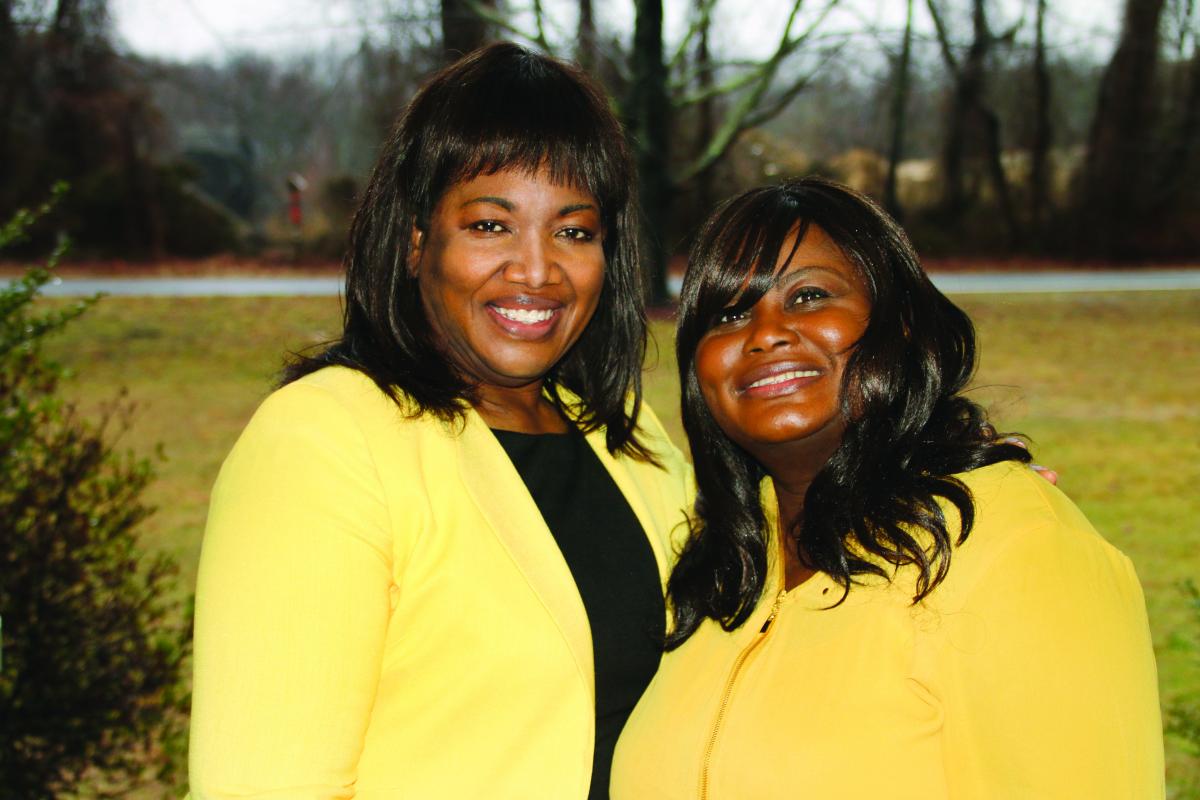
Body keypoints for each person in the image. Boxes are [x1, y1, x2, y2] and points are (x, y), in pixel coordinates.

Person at [187, 44, 691, 799]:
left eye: (574, 231)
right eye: (492, 225)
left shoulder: (627, 432)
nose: (536, 269)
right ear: (419, 238)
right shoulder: (324, 442)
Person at [611, 177, 1164, 798]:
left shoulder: (1016, 547)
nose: (764, 333)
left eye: (809, 296)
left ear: (900, 325)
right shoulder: (718, 568)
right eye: (730, 313)